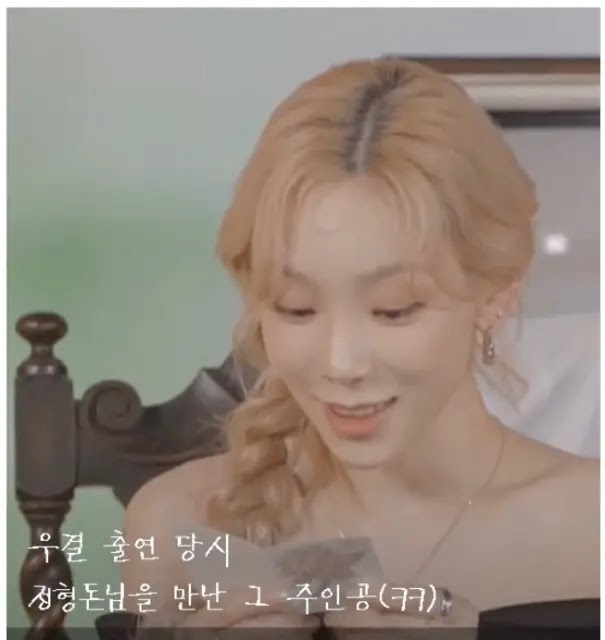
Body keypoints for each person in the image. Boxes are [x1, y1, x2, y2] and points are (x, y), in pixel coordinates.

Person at [121, 57, 599, 636]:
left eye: (394, 310)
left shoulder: (590, 527)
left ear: (497, 294)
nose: (341, 364)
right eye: (297, 308)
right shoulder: (175, 525)